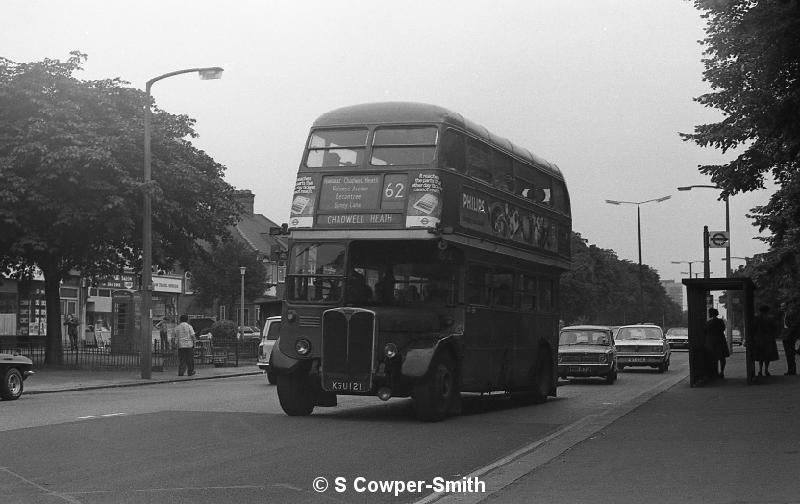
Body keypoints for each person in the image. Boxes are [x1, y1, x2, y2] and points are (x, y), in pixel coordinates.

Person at [751, 305, 779, 377]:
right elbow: (775, 327)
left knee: (760, 355)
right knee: (767, 355)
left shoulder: (757, 318)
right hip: (769, 339)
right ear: (767, 310)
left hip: (759, 339)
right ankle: (766, 370)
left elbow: (753, 328)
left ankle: (760, 370)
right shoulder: (771, 318)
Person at [705, 307, 730, 379]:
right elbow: (723, 329)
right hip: (721, 341)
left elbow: (705, 331)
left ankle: (714, 372)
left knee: (713, 358)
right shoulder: (720, 321)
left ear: (711, 314)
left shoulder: (708, 323)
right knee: (722, 357)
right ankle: (722, 372)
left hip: (712, 342)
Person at [780, 302, 799, 375]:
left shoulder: (791, 314)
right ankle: (790, 370)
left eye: (783, 306)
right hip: (785, 336)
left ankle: (792, 370)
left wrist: (789, 332)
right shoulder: (783, 315)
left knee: (790, 353)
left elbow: (794, 324)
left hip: (790, 336)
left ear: (786, 306)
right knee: (788, 354)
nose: (781, 308)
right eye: (781, 306)